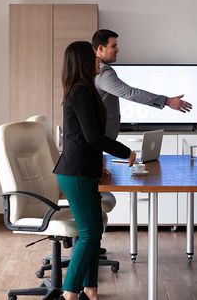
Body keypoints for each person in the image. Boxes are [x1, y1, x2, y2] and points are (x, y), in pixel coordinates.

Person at [54, 41, 137, 300]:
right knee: (90, 233)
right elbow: (93, 136)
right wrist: (127, 152)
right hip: (76, 173)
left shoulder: (82, 90)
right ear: (82, 61)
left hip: (83, 170)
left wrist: (100, 164)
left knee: (92, 231)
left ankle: (90, 288)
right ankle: (69, 292)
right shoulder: (81, 92)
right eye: (93, 57)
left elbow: (86, 136)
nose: (98, 61)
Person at [92, 29, 192, 139]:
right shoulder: (104, 72)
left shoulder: (97, 69)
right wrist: (167, 101)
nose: (118, 49)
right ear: (100, 48)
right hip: (100, 137)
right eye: (113, 46)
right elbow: (130, 93)